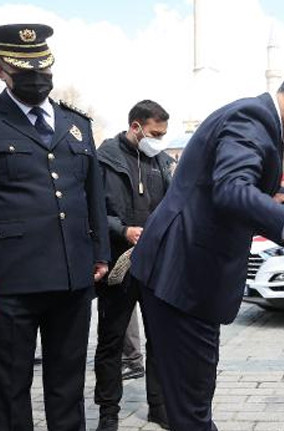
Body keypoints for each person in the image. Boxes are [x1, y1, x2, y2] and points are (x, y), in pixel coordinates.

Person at [129, 64, 284, 431]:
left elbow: (243, 198)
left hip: (191, 277)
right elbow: (231, 188)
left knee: (192, 401)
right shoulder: (253, 118)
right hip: (183, 276)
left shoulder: (264, 126)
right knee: (192, 408)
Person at [0, 24, 110, 431]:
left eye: (43, 68)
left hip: (72, 276)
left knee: (67, 384)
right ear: (3, 70)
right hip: (12, 280)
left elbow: (93, 194)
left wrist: (100, 252)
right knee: (10, 388)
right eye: (25, 69)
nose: (37, 77)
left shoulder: (76, 124)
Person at [93, 100, 174, 431]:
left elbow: (174, 206)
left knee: (160, 339)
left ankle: (159, 406)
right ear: (136, 126)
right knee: (111, 340)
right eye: (155, 133)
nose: (160, 140)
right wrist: (122, 230)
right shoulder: (105, 159)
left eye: (164, 134)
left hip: (155, 264)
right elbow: (94, 209)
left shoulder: (163, 162)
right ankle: (108, 412)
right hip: (117, 264)